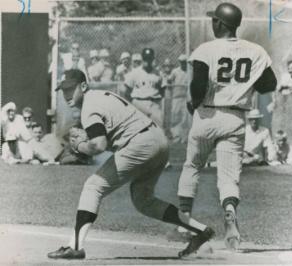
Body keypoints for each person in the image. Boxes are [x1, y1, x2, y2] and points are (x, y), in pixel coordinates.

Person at [47, 69, 214, 260]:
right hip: (158, 140)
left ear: (83, 86)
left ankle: (75, 246)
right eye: (63, 90)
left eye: (70, 89)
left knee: (93, 187)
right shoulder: (100, 96)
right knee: (143, 201)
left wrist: (80, 146)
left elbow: (98, 145)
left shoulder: (89, 108)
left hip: (140, 144)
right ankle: (200, 230)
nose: (66, 94)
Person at [174, 2, 277, 251]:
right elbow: (268, 84)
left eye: (214, 20)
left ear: (220, 23)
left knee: (192, 166)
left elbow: (197, 86)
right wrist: (242, 86)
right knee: (229, 177)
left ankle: (184, 219)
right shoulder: (255, 50)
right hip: (235, 117)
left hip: (207, 115)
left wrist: (194, 103)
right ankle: (229, 212)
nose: (212, 23)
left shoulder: (206, 49)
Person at [124, 48, 164, 127]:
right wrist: (135, 103)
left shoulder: (158, 73)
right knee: (138, 130)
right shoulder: (134, 73)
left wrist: (156, 102)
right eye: (145, 59)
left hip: (154, 104)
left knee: (158, 130)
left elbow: (162, 91)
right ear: (142, 59)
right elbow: (126, 92)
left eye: (149, 59)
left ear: (152, 59)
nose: (147, 61)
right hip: (138, 103)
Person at [170, 54, 189, 143]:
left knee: (185, 117)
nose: (183, 64)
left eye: (184, 62)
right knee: (176, 116)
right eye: (181, 62)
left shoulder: (189, 72)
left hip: (186, 97)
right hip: (176, 97)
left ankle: (184, 137)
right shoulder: (175, 71)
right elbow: (169, 80)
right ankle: (176, 136)